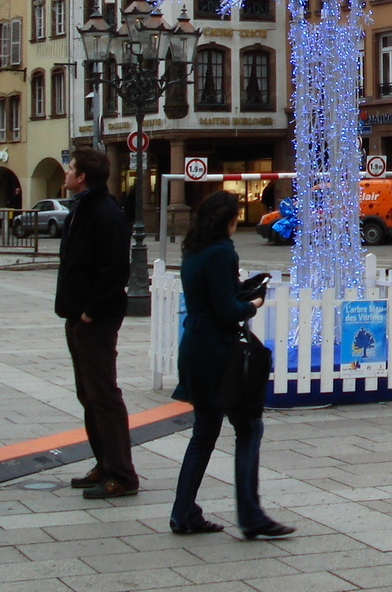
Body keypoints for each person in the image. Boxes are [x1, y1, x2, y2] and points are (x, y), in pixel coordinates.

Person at [168, 191, 295, 540]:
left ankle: (183, 512)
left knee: (204, 433)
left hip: (193, 346)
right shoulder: (223, 251)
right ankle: (251, 515)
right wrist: (253, 301)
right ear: (228, 220)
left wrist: (236, 291)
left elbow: (210, 297)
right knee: (249, 427)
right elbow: (227, 311)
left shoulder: (193, 250)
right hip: (218, 351)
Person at [56, 148, 139, 499]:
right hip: (78, 315)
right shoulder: (83, 209)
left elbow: (114, 270)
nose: (66, 172)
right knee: (88, 394)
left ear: (82, 177)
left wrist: (90, 311)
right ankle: (104, 462)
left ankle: (121, 473)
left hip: (95, 318)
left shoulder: (105, 213)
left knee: (103, 394)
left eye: (70, 168)